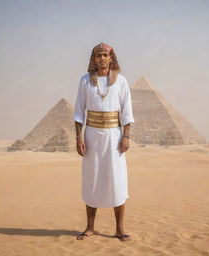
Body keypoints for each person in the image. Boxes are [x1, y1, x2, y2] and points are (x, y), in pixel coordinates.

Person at [73, 42, 134, 241]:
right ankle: (90, 227)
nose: (102, 59)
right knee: (92, 179)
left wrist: (126, 136)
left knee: (117, 180)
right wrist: (78, 136)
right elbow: (79, 112)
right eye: (98, 55)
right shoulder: (85, 81)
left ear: (111, 58)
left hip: (114, 137)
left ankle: (119, 229)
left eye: (105, 55)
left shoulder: (121, 81)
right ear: (94, 59)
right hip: (91, 136)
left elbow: (126, 112)